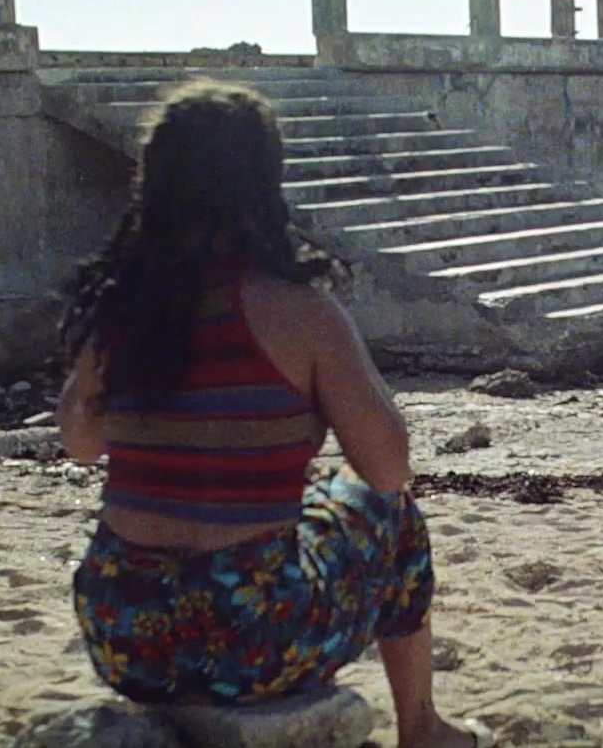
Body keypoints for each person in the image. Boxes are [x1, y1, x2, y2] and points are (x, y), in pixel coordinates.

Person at [55, 79, 491, 748]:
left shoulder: (122, 310)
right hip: (250, 640)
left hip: (123, 633)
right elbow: (388, 469)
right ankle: (422, 728)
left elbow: (81, 445)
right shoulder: (299, 310)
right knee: (391, 515)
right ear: (262, 182)